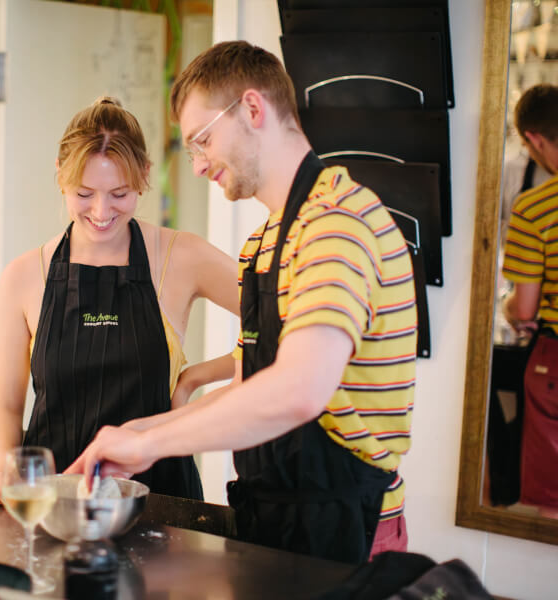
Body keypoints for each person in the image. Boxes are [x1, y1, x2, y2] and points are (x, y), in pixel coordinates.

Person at [67, 41, 417, 565]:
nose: (201, 165)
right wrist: (144, 429)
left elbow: (298, 391)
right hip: (271, 516)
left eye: (203, 140)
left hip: (345, 520)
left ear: (253, 109)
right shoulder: (264, 245)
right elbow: (250, 386)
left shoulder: (337, 224)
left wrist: (152, 445)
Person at [0, 97, 239, 505]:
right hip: (54, 502)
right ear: (59, 175)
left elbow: (284, 319)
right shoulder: (23, 276)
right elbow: (7, 407)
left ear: (144, 176)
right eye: (84, 193)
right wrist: (3, 471)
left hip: (160, 501)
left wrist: (196, 376)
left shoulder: (181, 257)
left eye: (119, 193)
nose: (101, 211)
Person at [501, 83, 558, 519]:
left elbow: (524, 310)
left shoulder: (535, 208)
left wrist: (508, 310)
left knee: (552, 501)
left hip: (554, 362)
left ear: (535, 139)